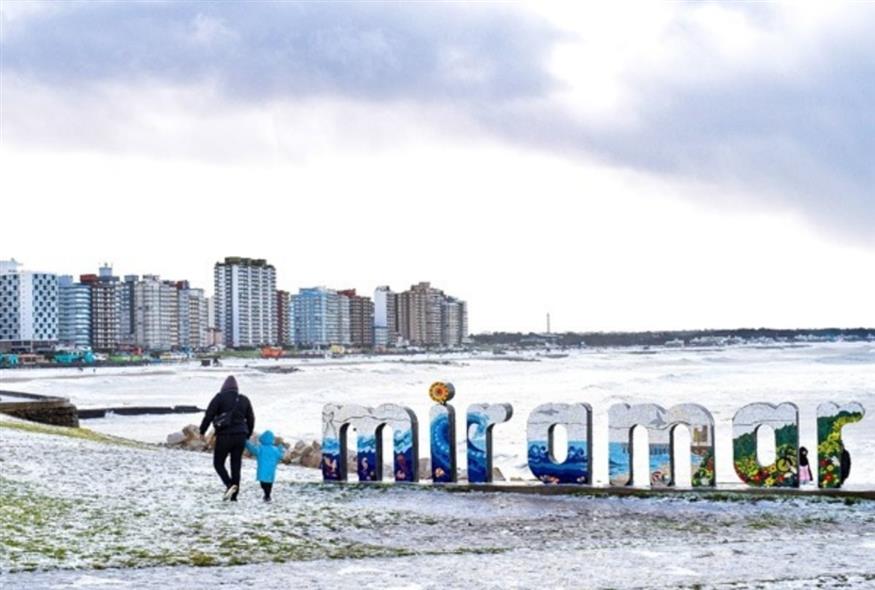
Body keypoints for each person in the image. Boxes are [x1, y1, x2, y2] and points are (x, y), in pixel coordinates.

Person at [200, 375, 255, 501]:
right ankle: (234, 496)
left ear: (223, 387)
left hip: (224, 436)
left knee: (218, 463)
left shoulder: (219, 398)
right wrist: (247, 434)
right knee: (236, 465)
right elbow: (251, 418)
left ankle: (229, 484)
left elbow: (209, 415)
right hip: (240, 436)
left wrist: (202, 431)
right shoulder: (244, 399)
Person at [245, 430, 284, 502]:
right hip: (271, 471)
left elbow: (253, 450)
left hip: (262, 470)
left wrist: (246, 442)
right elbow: (280, 456)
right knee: (269, 484)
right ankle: (268, 495)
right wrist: (281, 447)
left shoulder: (260, 448)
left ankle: (266, 495)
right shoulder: (275, 449)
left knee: (263, 484)